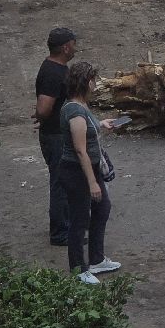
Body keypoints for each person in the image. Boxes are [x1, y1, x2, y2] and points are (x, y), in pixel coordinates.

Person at [57, 61, 120, 285]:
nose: (96, 83)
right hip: (77, 172)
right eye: (94, 79)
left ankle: (96, 259)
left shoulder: (82, 105)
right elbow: (80, 150)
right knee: (80, 219)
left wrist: (101, 124)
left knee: (102, 208)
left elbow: (87, 128)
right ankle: (79, 268)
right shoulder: (74, 111)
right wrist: (92, 182)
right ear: (86, 82)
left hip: (88, 169)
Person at [33, 26, 77, 246]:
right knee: (60, 183)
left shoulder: (55, 67)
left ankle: (67, 225)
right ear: (65, 47)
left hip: (57, 133)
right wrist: (43, 115)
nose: (75, 48)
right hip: (55, 136)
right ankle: (60, 233)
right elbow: (43, 107)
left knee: (65, 181)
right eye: (73, 44)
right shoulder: (53, 72)